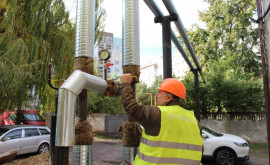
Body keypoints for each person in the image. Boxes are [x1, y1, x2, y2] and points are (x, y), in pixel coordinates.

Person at [120, 73, 203, 165]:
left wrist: (126, 84)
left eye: (160, 93)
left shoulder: (158, 114)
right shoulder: (195, 122)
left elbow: (132, 108)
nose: (157, 96)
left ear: (168, 98)